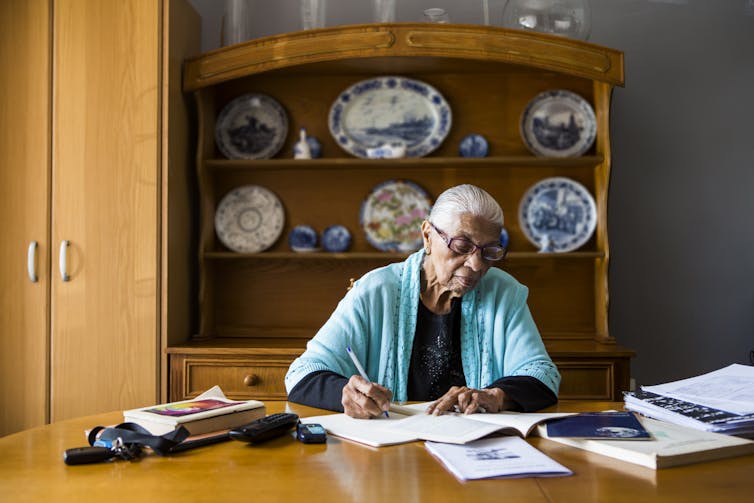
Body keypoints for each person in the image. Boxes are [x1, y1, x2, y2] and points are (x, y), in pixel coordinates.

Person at [285, 184, 560, 418]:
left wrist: (496, 396)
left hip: (474, 448)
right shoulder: (375, 291)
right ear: (427, 235)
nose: (476, 265)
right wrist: (345, 393)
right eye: (462, 246)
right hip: (391, 451)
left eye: (489, 251)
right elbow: (303, 373)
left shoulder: (503, 293)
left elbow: (542, 374)